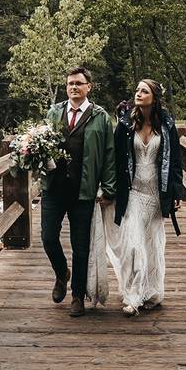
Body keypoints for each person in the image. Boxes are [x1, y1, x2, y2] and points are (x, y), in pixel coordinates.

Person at [40, 67, 116, 317]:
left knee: (80, 245)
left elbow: (108, 155)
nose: (74, 87)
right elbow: (41, 145)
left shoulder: (100, 117)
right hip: (53, 187)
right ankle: (62, 273)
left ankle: (77, 295)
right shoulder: (54, 113)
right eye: (70, 83)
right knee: (48, 237)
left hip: (84, 190)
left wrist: (108, 187)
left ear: (88, 87)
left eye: (79, 83)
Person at [108, 79, 182, 316]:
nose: (138, 94)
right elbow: (115, 159)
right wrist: (107, 188)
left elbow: (176, 162)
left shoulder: (167, 125)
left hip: (157, 194)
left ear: (154, 96)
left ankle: (150, 291)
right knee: (133, 244)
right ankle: (132, 295)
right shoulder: (125, 124)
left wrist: (176, 191)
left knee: (153, 245)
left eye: (144, 91)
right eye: (137, 90)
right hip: (133, 193)